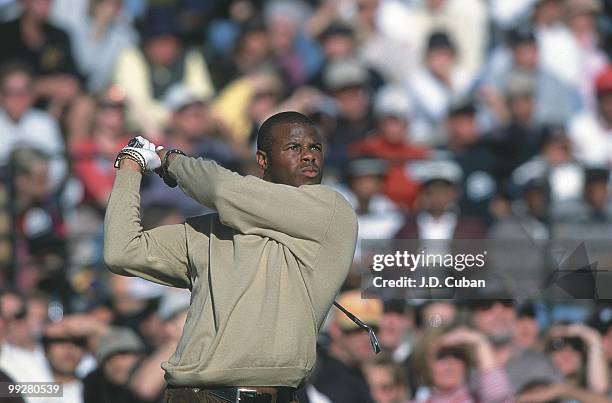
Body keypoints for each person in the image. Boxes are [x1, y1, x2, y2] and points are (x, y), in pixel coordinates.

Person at [103, 111, 359, 402]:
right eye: (293, 147)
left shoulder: (332, 210)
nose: (309, 155)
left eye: (315, 147)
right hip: (192, 395)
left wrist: (168, 159)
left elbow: (221, 189)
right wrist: (129, 168)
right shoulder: (210, 230)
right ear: (263, 160)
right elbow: (122, 251)